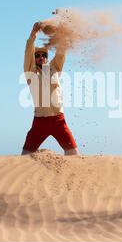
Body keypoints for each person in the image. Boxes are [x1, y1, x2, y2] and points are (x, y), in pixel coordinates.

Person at [21, 22, 79, 155]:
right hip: (39, 122)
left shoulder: (54, 69)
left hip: (58, 120)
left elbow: (61, 53)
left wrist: (61, 35)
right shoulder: (31, 73)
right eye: (37, 55)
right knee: (25, 156)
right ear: (34, 59)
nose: (41, 57)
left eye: (44, 55)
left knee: (73, 154)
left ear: (47, 58)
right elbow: (27, 54)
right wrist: (33, 34)